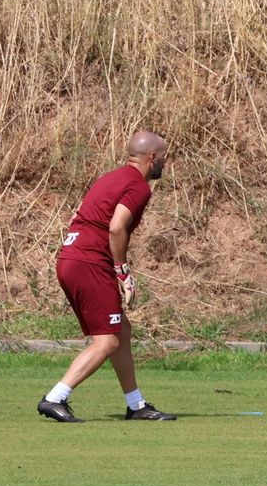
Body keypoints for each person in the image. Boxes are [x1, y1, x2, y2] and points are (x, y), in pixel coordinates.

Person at [36, 131, 176, 423]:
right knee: (107, 342)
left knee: (120, 331)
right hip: (89, 261)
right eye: (163, 157)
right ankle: (55, 398)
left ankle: (136, 405)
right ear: (152, 158)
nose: (165, 162)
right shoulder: (139, 187)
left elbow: (83, 215)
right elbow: (116, 227)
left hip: (71, 257)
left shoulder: (110, 178)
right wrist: (122, 271)